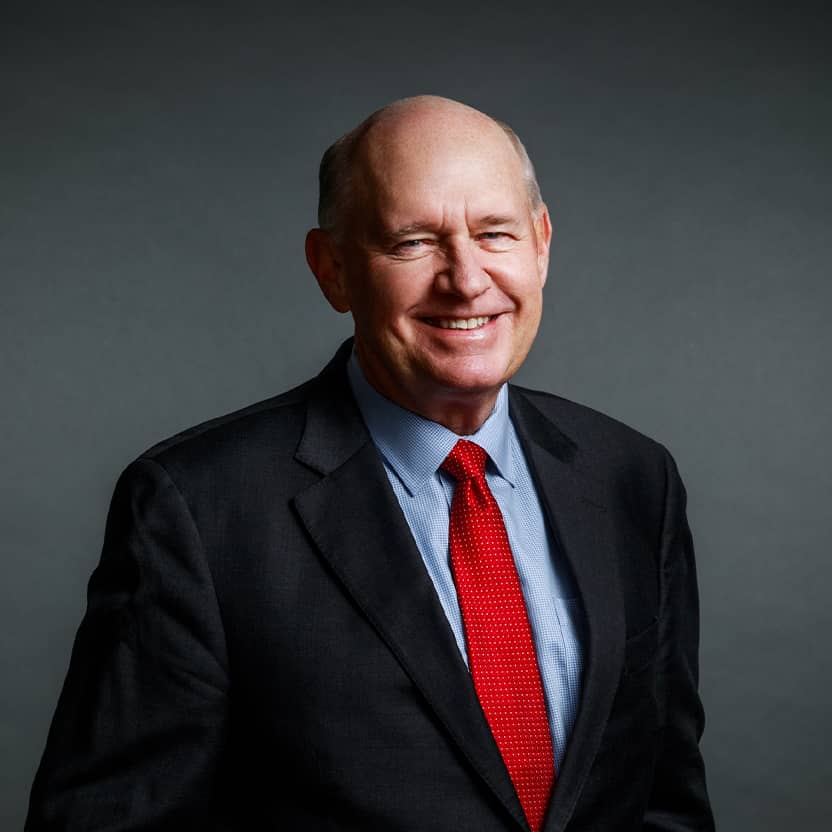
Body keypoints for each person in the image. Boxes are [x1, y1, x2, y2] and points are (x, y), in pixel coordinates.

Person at [26, 96, 714, 831]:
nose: (467, 278)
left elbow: (664, 806)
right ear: (333, 271)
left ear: (541, 245)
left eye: (495, 233)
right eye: (413, 242)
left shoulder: (634, 479)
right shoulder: (196, 511)